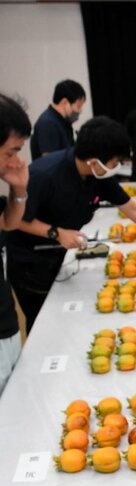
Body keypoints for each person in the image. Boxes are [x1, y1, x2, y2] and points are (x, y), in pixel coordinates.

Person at [2, 116, 136, 333]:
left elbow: (134, 210)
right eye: (114, 164)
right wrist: (56, 233)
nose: (116, 168)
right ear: (93, 161)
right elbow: (14, 222)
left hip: (58, 255)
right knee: (43, 325)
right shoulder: (44, 175)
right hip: (31, 262)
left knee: (65, 321)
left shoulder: (98, 175)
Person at [0, 94, 30, 394]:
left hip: (5, 319)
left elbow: (7, 223)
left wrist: (19, 190)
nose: (16, 161)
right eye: (12, 151)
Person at [30, 79, 86, 161]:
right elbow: (49, 162)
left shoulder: (64, 123)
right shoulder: (48, 124)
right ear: (64, 102)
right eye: (78, 106)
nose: (80, 111)